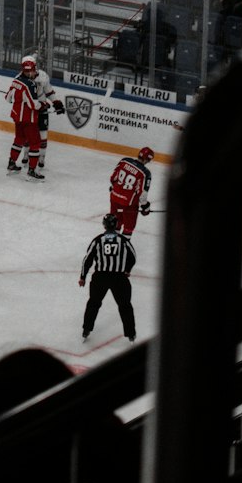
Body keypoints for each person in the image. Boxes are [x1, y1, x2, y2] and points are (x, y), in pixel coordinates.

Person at [79, 213, 137, 343]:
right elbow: (133, 257)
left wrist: (83, 276)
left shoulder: (98, 240)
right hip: (119, 278)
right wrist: (127, 270)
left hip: (100, 277)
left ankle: (86, 329)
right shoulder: (123, 240)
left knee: (93, 303)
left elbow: (87, 260)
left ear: (104, 225)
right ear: (116, 224)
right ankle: (131, 333)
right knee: (125, 306)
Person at [17, 56, 66, 173]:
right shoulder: (18, 78)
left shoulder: (43, 76)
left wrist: (56, 103)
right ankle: (26, 155)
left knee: (43, 136)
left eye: (31, 70)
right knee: (28, 136)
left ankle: (42, 158)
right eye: (26, 71)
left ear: (35, 67)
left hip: (42, 110)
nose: (29, 73)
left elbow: (48, 91)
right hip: (29, 111)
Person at [6, 56, 45, 178]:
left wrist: (19, 100)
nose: (34, 72)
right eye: (33, 70)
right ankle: (32, 171)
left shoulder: (16, 80)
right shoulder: (30, 84)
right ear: (32, 69)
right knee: (35, 143)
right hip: (29, 119)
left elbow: (7, 98)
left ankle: (11, 163)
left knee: (19, 139)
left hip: (17, 117)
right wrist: (43, 105)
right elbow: (34, 105)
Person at [108, 146, 154, 236]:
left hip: (114, 198)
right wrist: (145, 207)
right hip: (128, 205)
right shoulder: (145, 173)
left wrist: (116, 189)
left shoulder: (124, 161)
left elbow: (113, 179)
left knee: (115, 223)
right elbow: (142, 195)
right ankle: (123, 247)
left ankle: (113, 245)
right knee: (128, 228)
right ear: (148, 160)